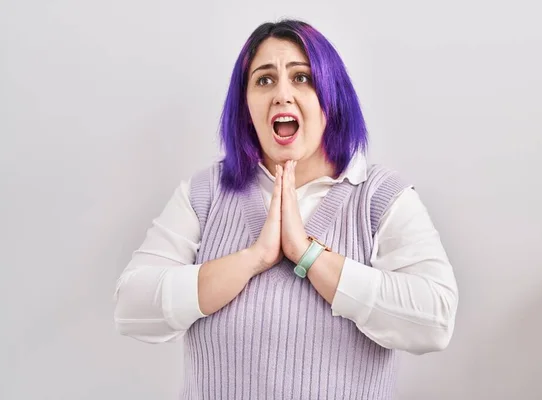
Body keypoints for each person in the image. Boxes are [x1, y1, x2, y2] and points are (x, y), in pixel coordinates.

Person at [114, 19, 459, 400]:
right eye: (264, 80)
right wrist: (253, 258)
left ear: (333, 97)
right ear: (245, 106)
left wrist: (307, 254)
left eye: (302, 78)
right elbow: (131, 307)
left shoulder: (380, 197)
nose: (281, 94)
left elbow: (435, 319)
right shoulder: (205, 193)